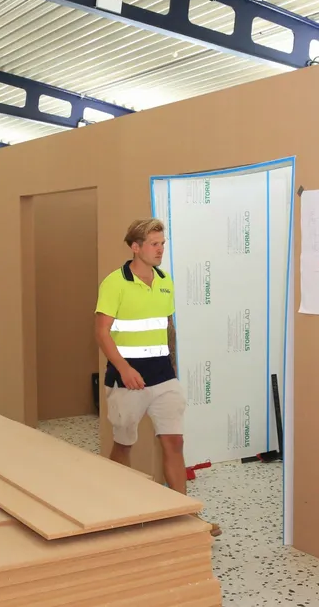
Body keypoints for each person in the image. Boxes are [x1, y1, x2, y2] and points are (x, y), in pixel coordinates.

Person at [94, 218, 221, 537]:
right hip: (127, 379)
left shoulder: (165, 280)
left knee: (174, 441)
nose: (160, 249)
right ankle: (115, 510)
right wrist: (124, 369)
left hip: (163, 376)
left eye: (162, 243)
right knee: (124, 444)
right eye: (154, 244)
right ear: (135, 247)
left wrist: (173, 369)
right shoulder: (114, 283)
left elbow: (167, 328)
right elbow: (101, 333)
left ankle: (184, 517)